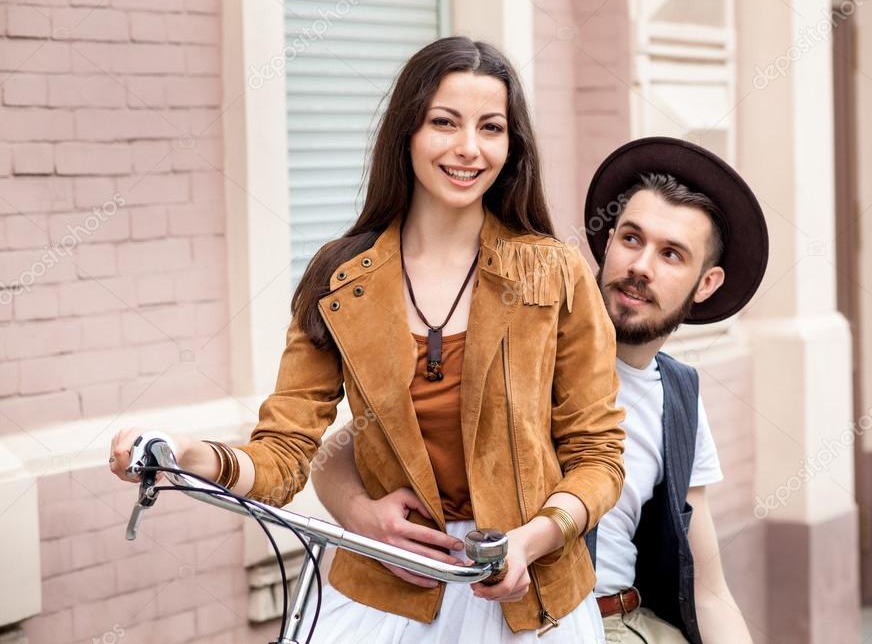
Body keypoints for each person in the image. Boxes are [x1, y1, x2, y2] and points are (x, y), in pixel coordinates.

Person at [107, 36, 626, 643]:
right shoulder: (339, 277)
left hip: (532, 601)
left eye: (491, 128)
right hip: (382, 599)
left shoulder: (552, 271)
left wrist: (531, 539)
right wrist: (187, 456)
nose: (467, 148)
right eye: (444, 123)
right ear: (407, 132)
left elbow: (598, 456)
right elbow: (284, 456)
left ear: (512, 147)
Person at [313, 137, 768, 644]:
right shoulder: (521, 345)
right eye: (632, 239)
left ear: (706, 284)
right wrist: (360, 514)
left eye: (672, 255)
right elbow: (346, 446)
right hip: (513, 618)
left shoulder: (678, 395)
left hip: (631, 622)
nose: (641, 266)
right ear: (607, 240)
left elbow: (709, 592)